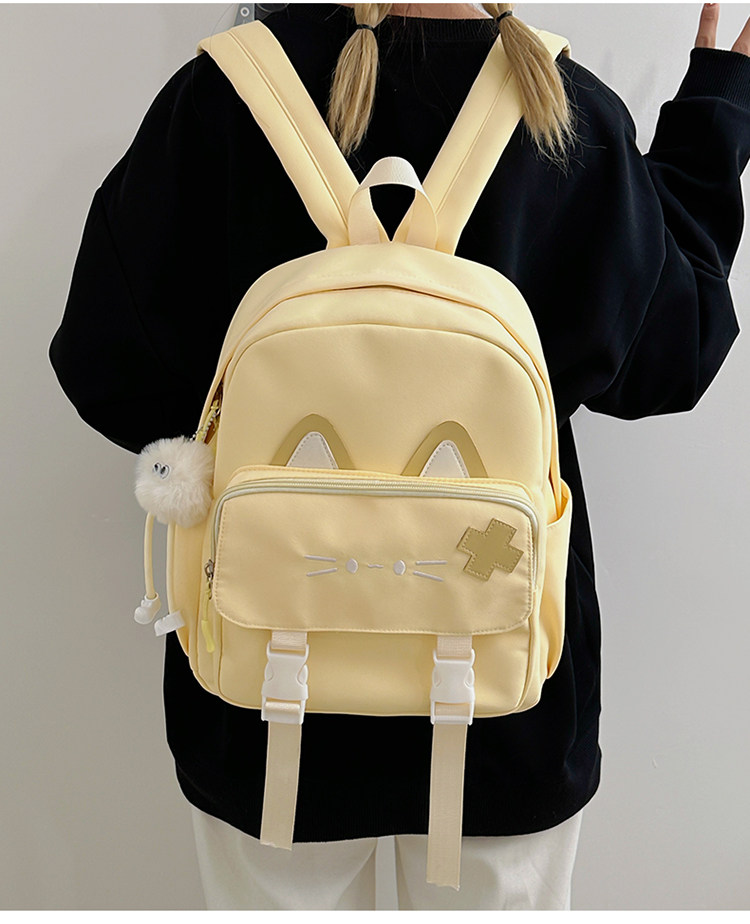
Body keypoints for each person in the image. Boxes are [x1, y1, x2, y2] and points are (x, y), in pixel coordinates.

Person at [49, 2, 750, 911]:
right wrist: (713, 121)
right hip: (506, 700)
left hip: (262, 698)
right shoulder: (566, 115)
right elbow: (673, 353)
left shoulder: (218, 98)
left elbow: (103, 362)